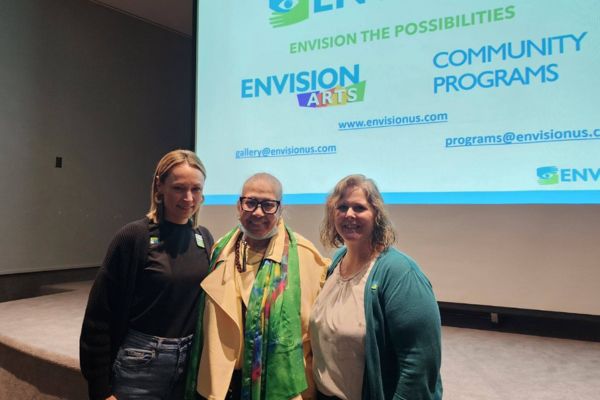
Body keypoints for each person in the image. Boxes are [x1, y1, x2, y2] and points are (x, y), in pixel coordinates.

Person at [80, 149, 214, 400]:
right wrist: (100, 389)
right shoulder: (133, 237)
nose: (188, 198)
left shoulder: (204, 238)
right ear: (159, 187)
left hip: (189, 365)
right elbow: (99, 317)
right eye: (178, 188)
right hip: (140, 365)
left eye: (196, 189)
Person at [184, 173, 329, 400]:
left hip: (278, 389)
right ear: (239, 206)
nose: (258, 212)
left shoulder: (305, 257)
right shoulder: (221, 249)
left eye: (268, 205)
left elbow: (316, 335)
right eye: (250, 203)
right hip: (223, 387)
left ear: (280, 209)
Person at [309, 174, 443, 400]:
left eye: (359, 208)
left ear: (376, 215)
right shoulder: (337, 261)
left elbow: (419, 363)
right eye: (342, 207)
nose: (349, 214)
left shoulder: (400, 273)